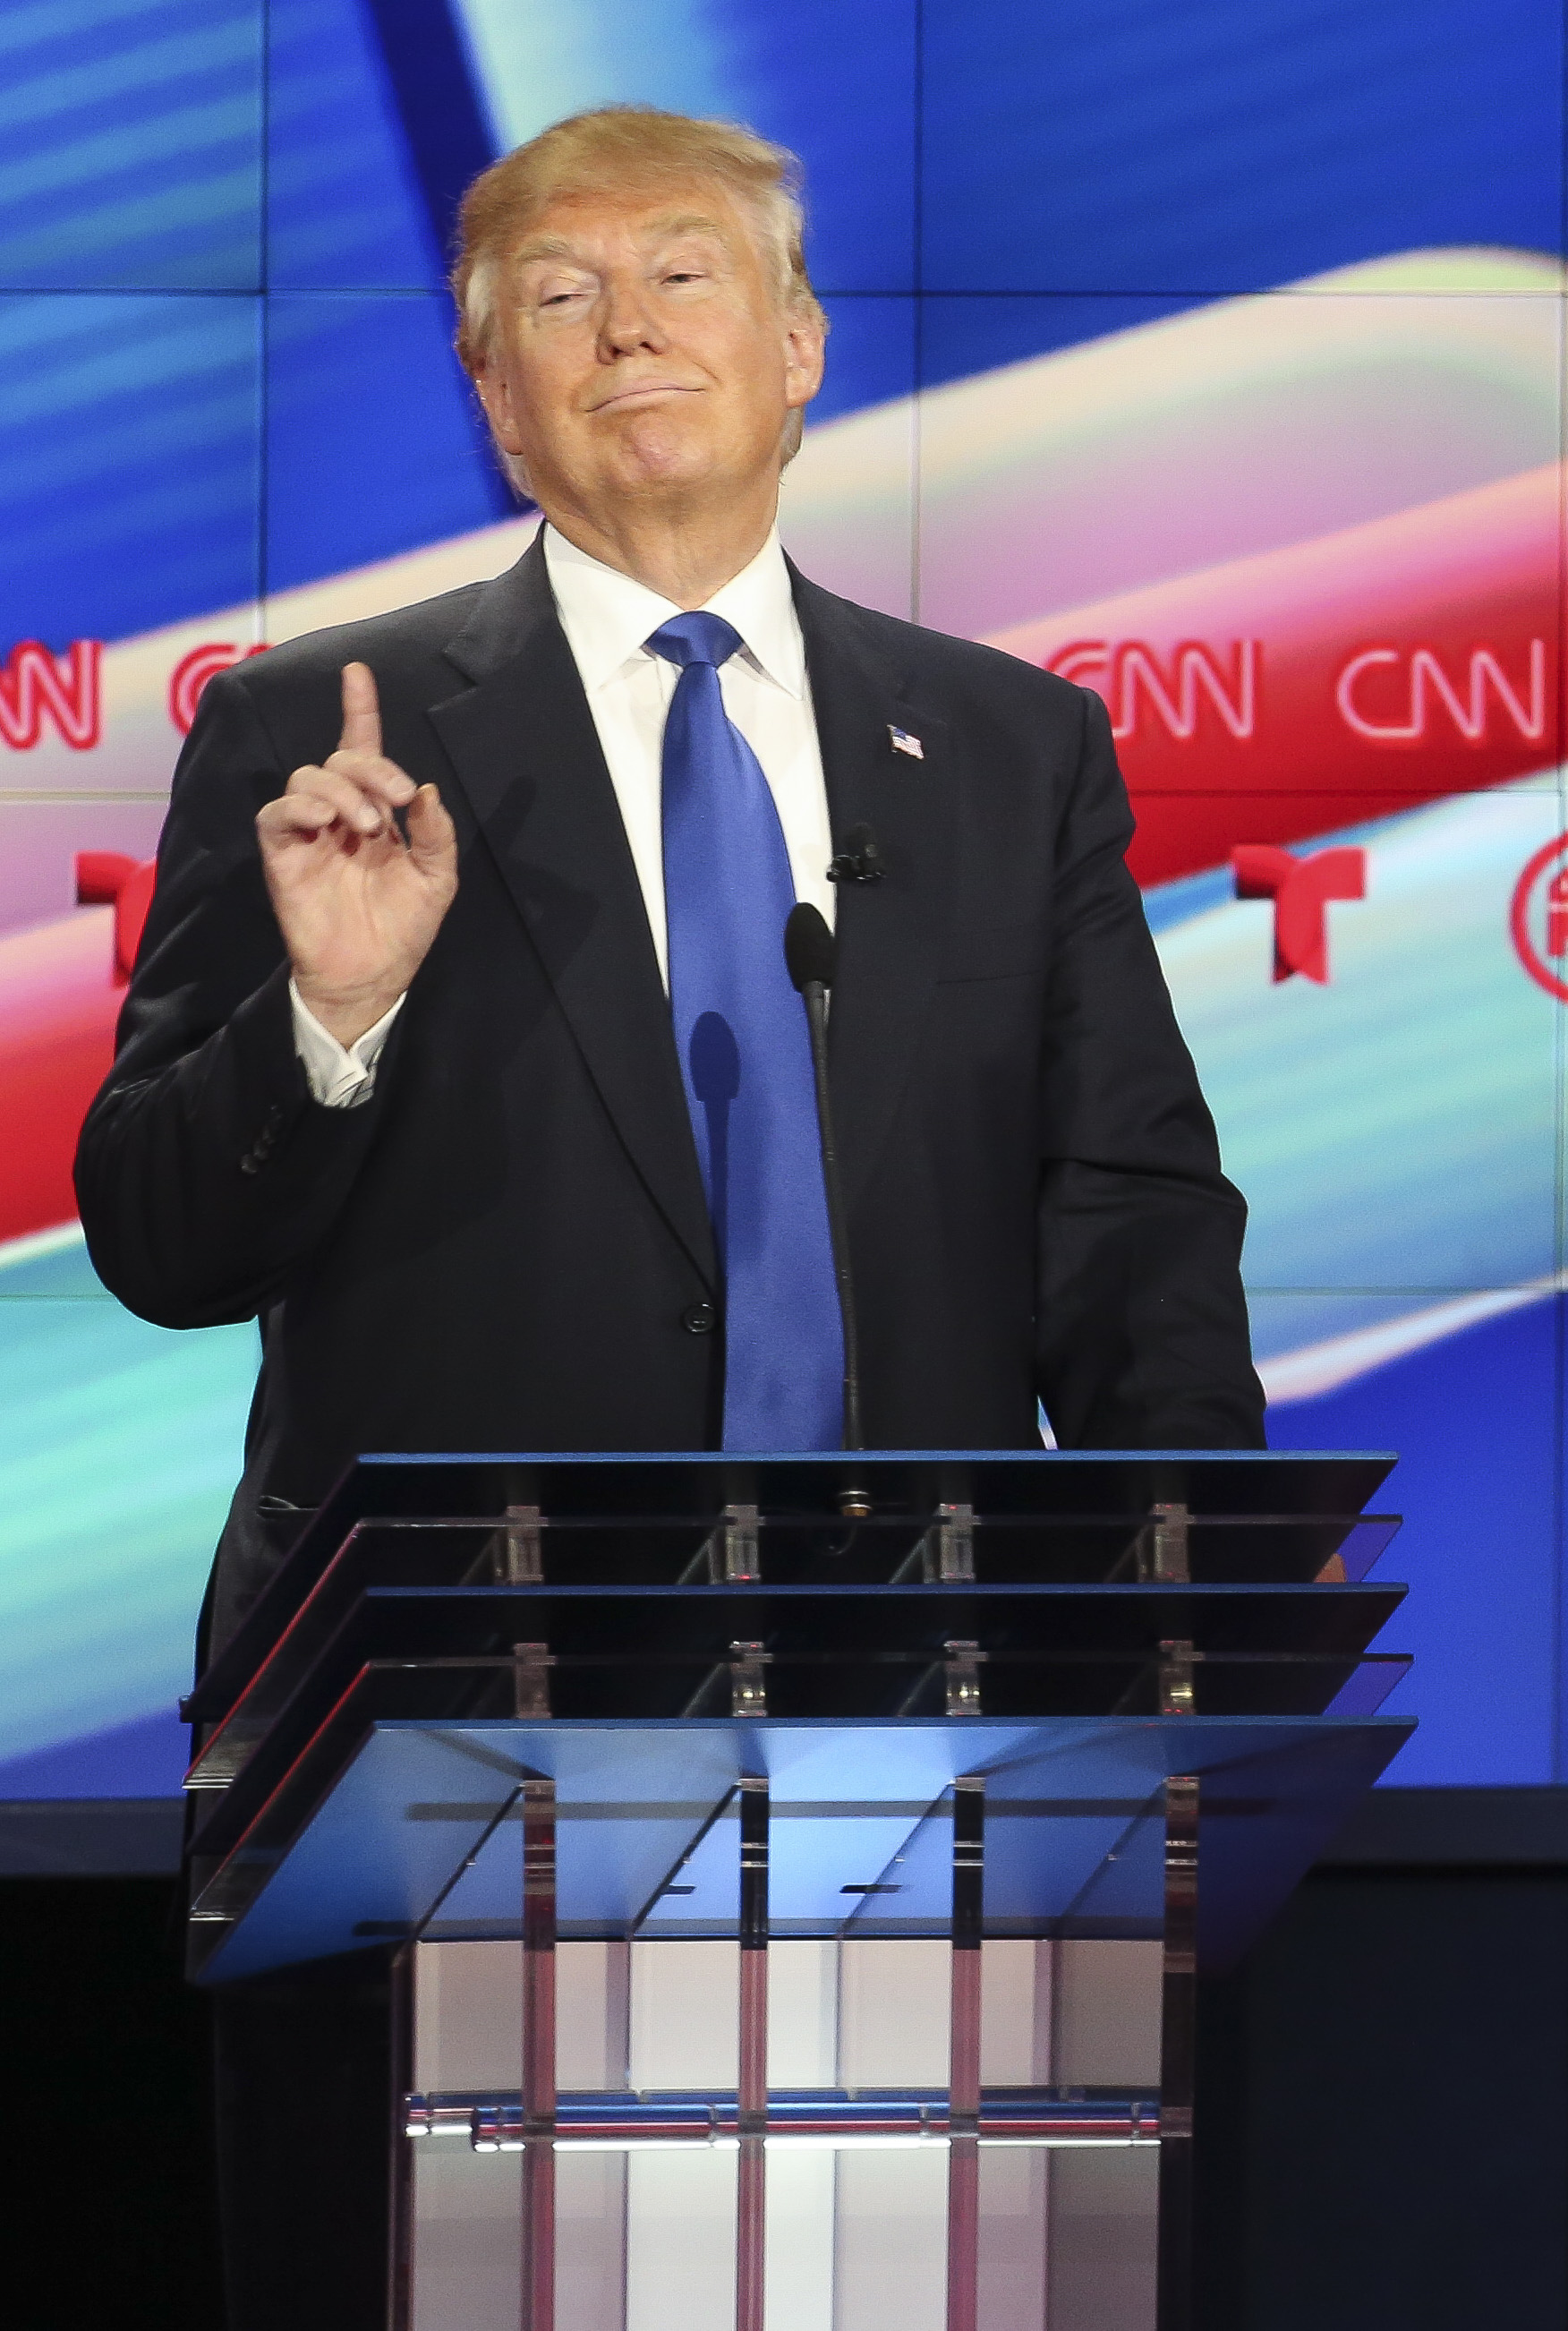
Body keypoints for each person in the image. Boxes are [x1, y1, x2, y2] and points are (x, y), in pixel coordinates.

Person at [75, 107, 1264, 2329]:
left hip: (925, 1734)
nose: (629, 327)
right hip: (439, 1753)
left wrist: (1177, 1641)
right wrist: (330, 1013)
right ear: (495, 396)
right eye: (558, 298)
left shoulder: (1003, 750)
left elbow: (1128, 1221)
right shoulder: (317, 733)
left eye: (686, 275)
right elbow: (158, 1235)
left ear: (800, 345)